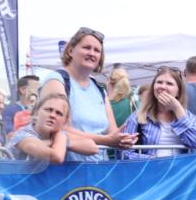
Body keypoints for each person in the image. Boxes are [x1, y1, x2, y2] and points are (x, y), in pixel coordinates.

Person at [39, 27, 137, 159]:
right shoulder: (57, 81)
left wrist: (123, 138)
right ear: (71, 50)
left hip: (98, 171)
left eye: (97, 50)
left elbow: (112, 131)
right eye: (86, 47)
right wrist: (106, 140)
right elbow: (56, 128)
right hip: (65, 171)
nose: (92, 53)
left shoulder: (99, 89)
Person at [120, 67, 196, 158]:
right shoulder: (137, 117)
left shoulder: (191, 119)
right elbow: (124, 153)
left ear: (178, 92)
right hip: (150, 170)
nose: (163, 87)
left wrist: (178, 109)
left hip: (180, 171)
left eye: (169, 84)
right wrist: (150, 160)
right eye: (159, 82)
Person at [8, 93, 99, 162]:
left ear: (64, 120)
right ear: (36, 112)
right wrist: (61, 139)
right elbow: (56, 156)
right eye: (48, 110)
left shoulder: (57, 134)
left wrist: (62, 141)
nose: (53, 115)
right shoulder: (22, 135)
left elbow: (93, 147)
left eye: (59, 113)